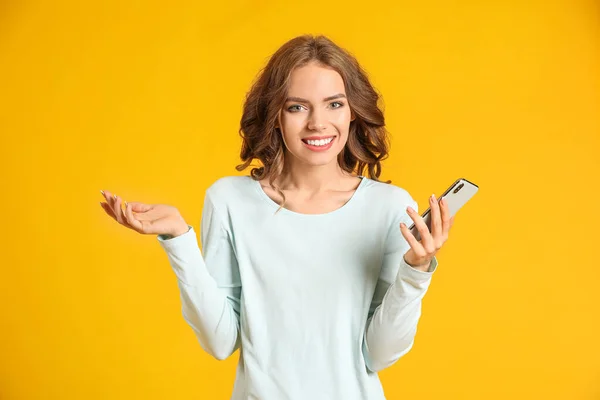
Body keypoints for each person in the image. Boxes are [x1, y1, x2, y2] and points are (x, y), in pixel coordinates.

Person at [99, 34, 455, 400]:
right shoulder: (228, 201)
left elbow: (379, 354)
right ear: (275, 116)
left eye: (333, 104)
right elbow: (220, 342)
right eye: (297, 107)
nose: (318, 123)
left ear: (353, 112)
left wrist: (416, 270)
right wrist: (178, 239)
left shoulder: (389, 208)